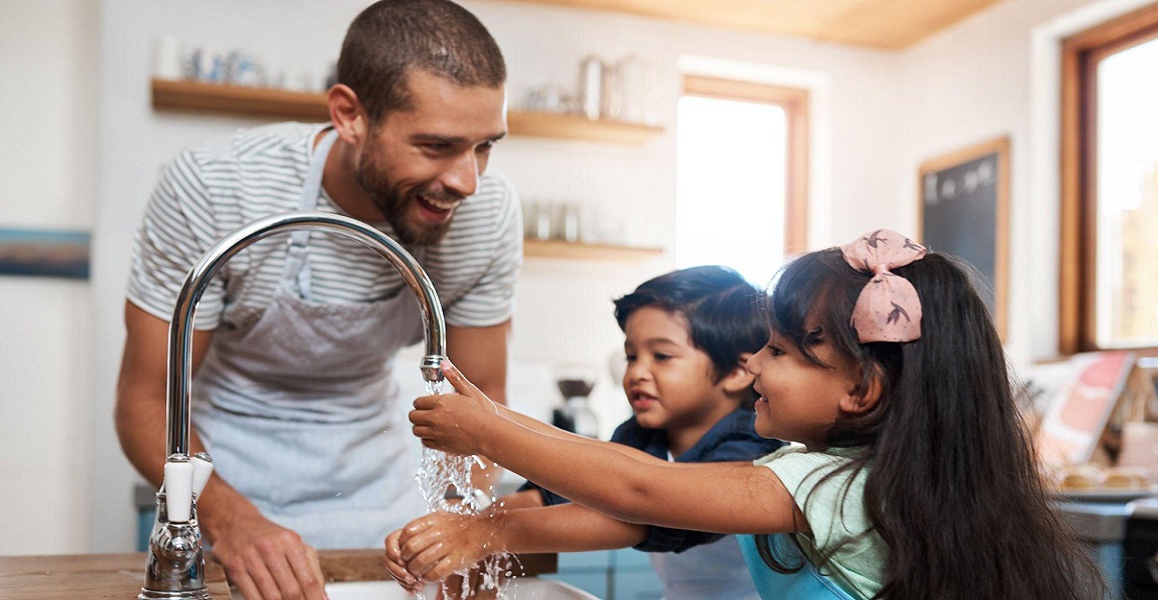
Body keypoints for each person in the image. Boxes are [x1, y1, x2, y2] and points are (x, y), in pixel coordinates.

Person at [404, 230, 1106, 600]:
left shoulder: (822, 483)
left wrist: (491, 433)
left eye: (780, 350)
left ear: (860, 391)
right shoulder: (852, 475)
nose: (757, 366)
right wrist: (488, 504)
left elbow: (642, 493)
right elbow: (622, 472)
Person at [114, 1, 519, 599]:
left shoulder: (484, 215)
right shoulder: (217, 188)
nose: (467, 181)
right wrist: (229, 521)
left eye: (485, 146)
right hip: (224, 480)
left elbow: (486, 407)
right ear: (349, 115)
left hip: (380, 495)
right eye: (436, 146)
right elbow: (145, 402)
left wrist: (461, 523)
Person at [385, 266, 785, 599]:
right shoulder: (646, 435)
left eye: (661, 356)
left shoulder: (751, 444)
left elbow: (637, 514)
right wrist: (449, 533)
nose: (636, 371)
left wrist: (480, 534)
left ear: (737, 371)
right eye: (631, 355)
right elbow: (558, 488)